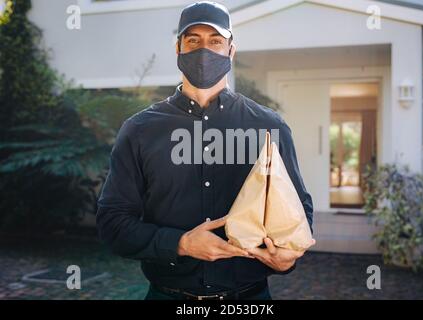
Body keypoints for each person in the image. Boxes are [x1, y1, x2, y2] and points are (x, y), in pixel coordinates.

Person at [96, 1, 314, 300]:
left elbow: (299, 207)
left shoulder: (268, 126)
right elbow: (112, 222)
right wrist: (180, 244)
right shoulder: (140, 130)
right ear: (178, 49)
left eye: (215, 41)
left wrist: (288, 256)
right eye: (193, 41)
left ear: (231, 51)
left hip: (249, 298)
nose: (204, 51)